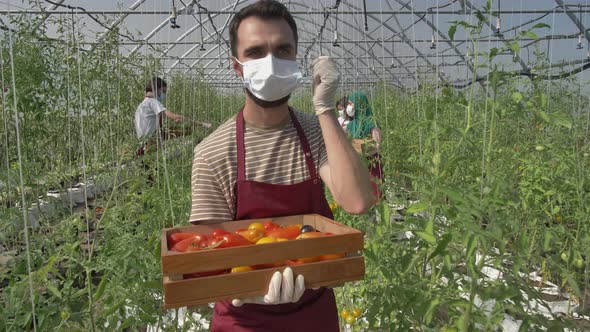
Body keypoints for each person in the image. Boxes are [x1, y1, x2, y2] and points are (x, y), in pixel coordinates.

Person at [189, 1, 373, 331]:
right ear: (237, 66)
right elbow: (208, 261)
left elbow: (358, 201)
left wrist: (325, 109)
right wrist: (250, 290)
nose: (270, 62)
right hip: (243, 320)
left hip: (314, 316)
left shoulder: (318, 132)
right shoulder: (214, 152)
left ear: (296, 57)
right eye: (256, 52)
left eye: (282, 50)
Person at [134, 77, 189, 156]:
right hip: (149, 144)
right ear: (157, 89)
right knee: (178, 154)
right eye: (163, 91)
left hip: (143, 144)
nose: (164, 95)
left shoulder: (142, 106)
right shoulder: (153, 102)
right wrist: (196, 123)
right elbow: (173, 116)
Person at [346, 91, 384, 202]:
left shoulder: (371, 122)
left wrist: (368, 149)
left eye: (351, 103)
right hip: (356, 160)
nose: (349, 106)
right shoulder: (351, 125)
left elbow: (378, 143)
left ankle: (376, 211)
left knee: (374, 188)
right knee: (358, 189)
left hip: (372, 161)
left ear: (359, 104)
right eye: (349, 103)